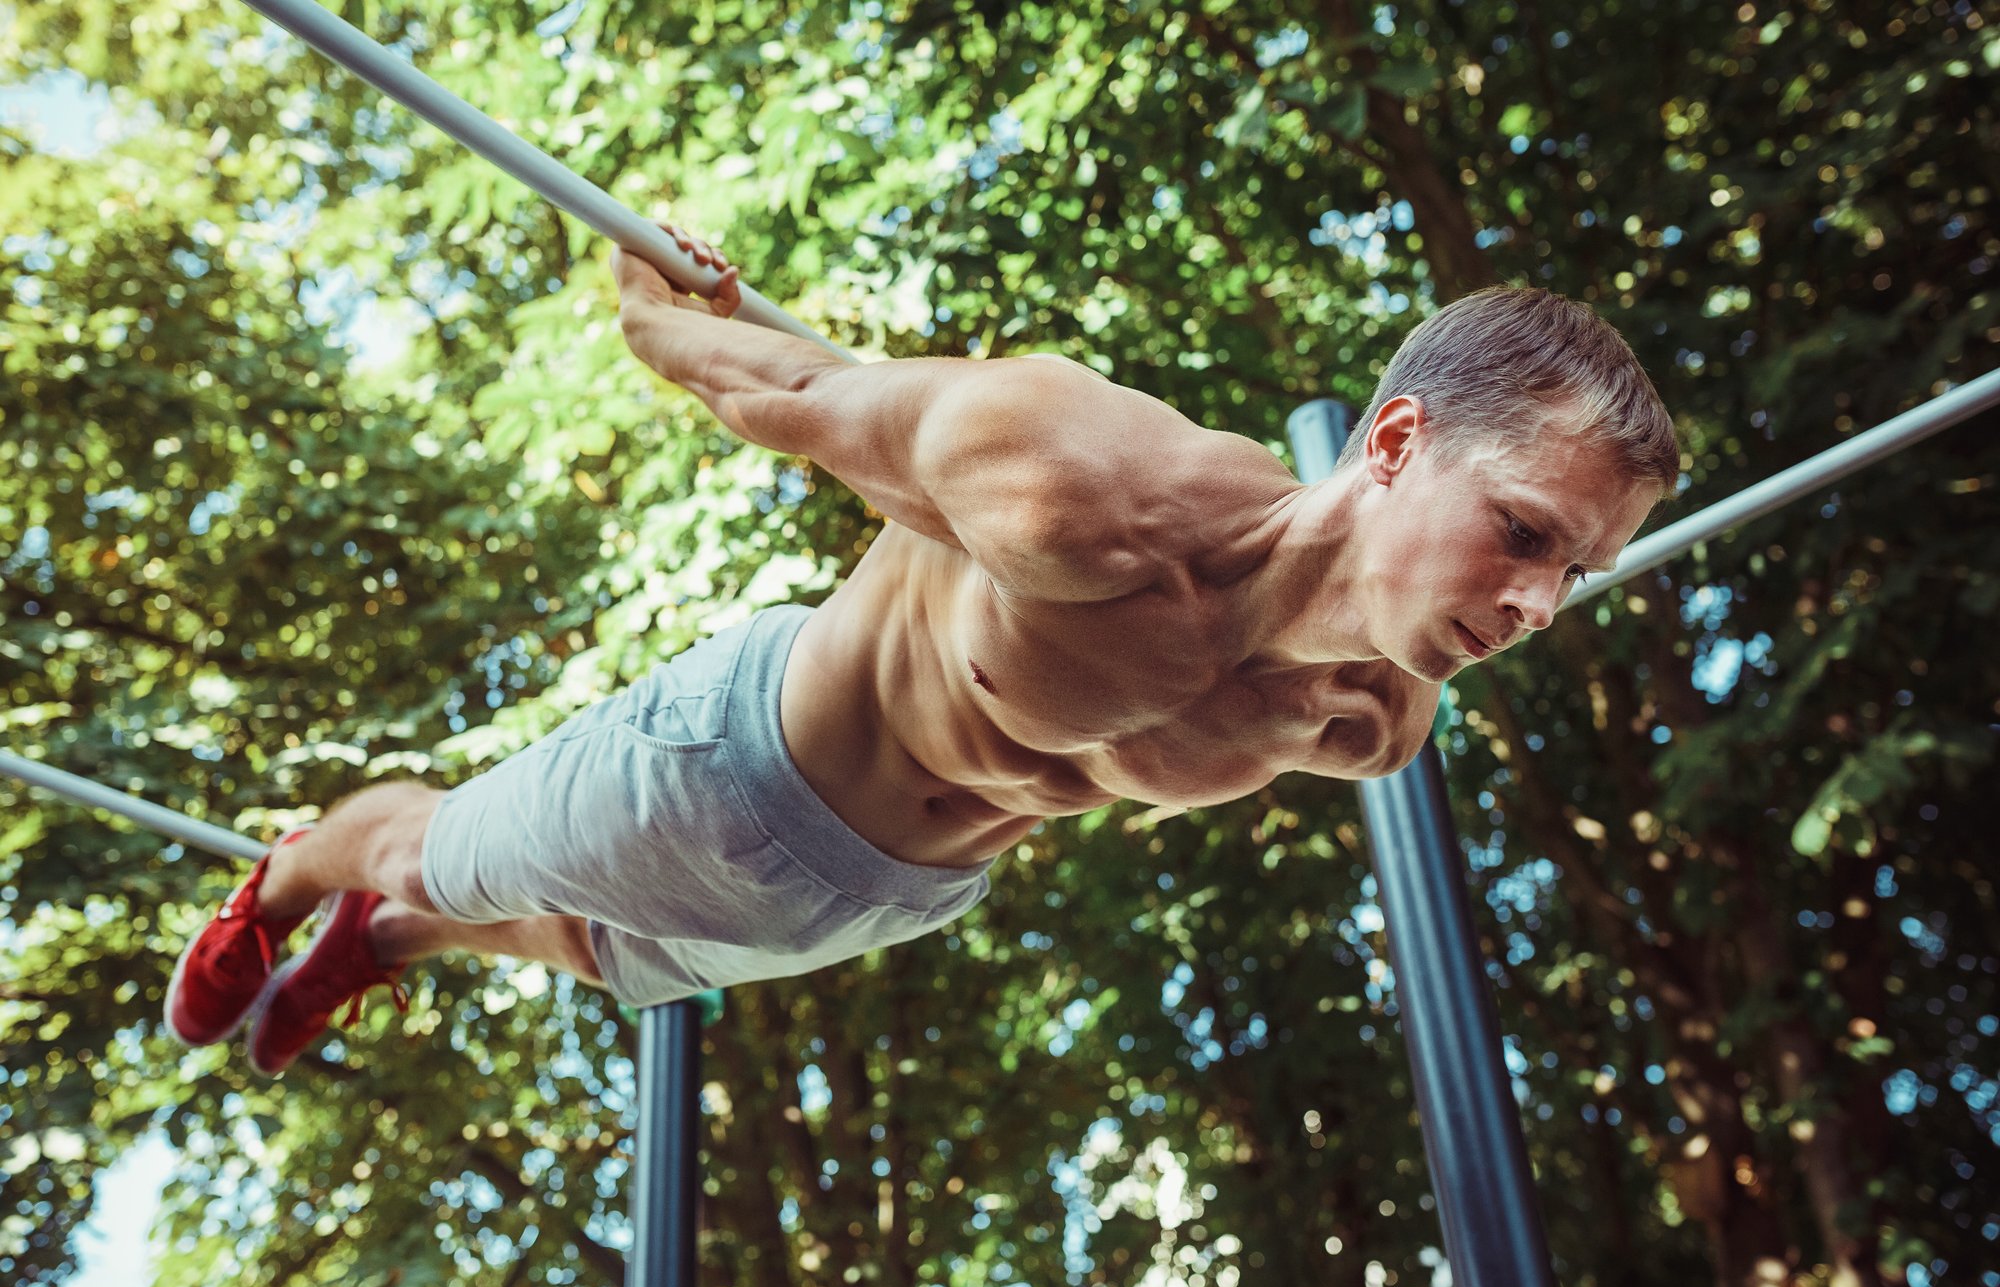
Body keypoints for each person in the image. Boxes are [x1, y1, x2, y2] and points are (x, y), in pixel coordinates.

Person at [165, 224, 1675, 1076]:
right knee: (430, 852)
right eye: (1528, 533)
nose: (1539, 604)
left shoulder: (1372, 719)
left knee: (590, 947)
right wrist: (655, 315)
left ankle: (370, 949)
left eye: (1580, 574)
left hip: (895, 894)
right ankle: (300, 870)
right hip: (727, 765)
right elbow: (811, 394)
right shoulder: (1091, 489)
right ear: (1397, 440)